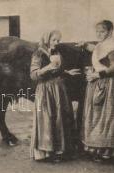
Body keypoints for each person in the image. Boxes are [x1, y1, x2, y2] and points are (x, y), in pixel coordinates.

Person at [79, 20, 114, 162]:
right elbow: (98, 50)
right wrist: (85, 45)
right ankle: (96, 149)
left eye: (103, 31)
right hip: (99, 83)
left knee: (106, 118)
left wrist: (97, 75)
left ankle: (107, 152)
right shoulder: (104, 44)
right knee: (97, 116)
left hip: (108, 84)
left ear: (110, 31)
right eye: (97, 31)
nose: (99, 34)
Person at [30, 30, 80, 162]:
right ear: (47, 39)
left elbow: (57, 70)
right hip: (45, 89)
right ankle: (47, 152)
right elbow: (34, 75)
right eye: (54, 40)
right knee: (47, 119)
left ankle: (60, 150)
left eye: (58, 40)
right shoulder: (39, 53)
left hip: (59, 89)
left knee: (60, 118)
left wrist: (67, 72)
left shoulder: (57, 52)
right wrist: (47, 67)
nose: (57, 43)